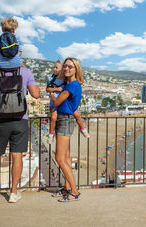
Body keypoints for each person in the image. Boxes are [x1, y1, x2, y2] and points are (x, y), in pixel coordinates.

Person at [0, 64, 40, 204]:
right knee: (17, 155)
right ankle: (13, 193)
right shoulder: (25, 71)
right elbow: (36, 94)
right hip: (20, 120)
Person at [49, 57, 84, 202]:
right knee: (66, 158)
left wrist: (50, 93)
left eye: (70, 66)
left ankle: (74, 191)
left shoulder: (72, 86)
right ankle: (67, 188)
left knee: (59, 158)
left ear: (76, 69)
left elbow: (56, 101)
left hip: (65, 120)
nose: (66, 69)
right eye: (65, 66)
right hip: (65, 119)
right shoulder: (70, 85)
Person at [46, 60, 89, 144]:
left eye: (57, 67)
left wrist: (53, 94)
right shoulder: (52, 79)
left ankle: (83, 129)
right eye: (54, 67)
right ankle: (51, 135)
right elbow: (47, 89)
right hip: (59, 103)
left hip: (62, 106)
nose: (55, 69)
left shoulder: (67, 81)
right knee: (53, 118)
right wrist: (54, 91)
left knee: (77, 114)